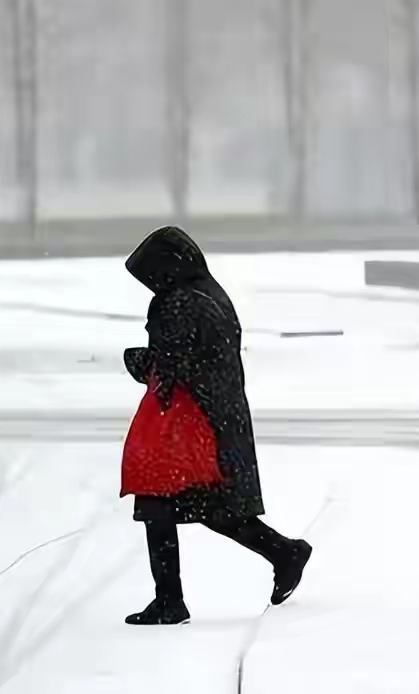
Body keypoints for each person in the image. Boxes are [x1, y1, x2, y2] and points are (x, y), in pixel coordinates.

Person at [120, 226, 312, 626]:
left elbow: (168, 365)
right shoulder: (209, 293)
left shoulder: (178, 302)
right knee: (209, 507)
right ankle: (282, 553)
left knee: (162, 502)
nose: (151, 284)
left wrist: (137, 360)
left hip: (187, 422)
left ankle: (171, 600)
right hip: (216, 416)